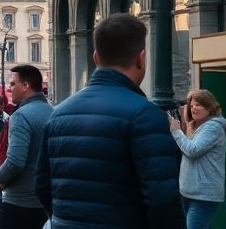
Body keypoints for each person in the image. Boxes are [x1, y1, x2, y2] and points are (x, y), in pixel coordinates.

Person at [37, 13, 183, 228]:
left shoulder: (58, 114)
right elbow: (162, 200)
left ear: (96, 58)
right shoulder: (146, 115)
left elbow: (42, 185)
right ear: (141, 58)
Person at [0, 65, 54, 229]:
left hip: (20, 200)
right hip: (44, 198)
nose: (9, 89)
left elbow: (16, 161)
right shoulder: (52, 111)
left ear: (25, 85)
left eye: (13, 84)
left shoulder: (21, 115)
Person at [169, 89, 226, 229]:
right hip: (190, 192)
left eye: (198, 105)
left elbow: (193, 150)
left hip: (203, 195)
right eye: (191, 106)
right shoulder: (198, 126)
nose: (193, 108)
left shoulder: (213, 127)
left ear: (209, 107)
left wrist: (177, 132)